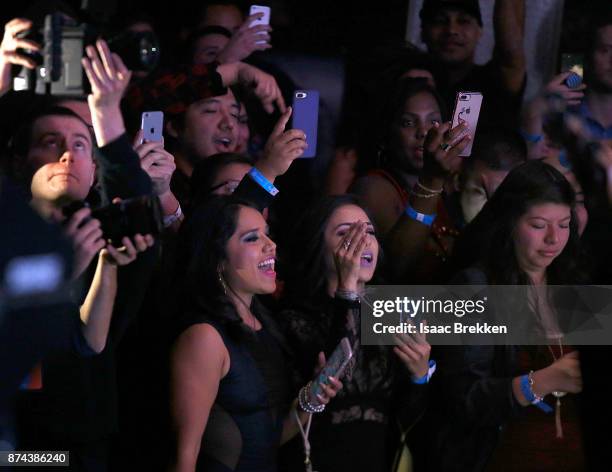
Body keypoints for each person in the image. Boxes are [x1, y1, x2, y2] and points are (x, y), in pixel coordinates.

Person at [12, 40, 156, 471]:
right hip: (17, 445)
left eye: (80, 144)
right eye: (50, 142)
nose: (67, 153)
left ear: (95, 170)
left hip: (88, 444)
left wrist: (108, 112)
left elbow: (139, 212)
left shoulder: (108, 237)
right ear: (18, 163)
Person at [412, 160, 586, 471]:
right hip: (504, 457)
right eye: (538, 225)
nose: (553, 238)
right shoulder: (474, 287)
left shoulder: (575, 282)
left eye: (563, 224)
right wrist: (544, 380)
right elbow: (462, 399)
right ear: (509, 222)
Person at [169, 196, 342, 472]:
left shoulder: (264, 325)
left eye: (267, 234)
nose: (270, 245)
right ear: (217, 259)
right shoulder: (204, 338)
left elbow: (266, 440)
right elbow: (184, 455)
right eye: (252, 238)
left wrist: (310, 399)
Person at [278, 195, 433, 472]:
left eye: (369, 231)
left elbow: (406, 419)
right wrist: (347, 288)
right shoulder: (295, 320)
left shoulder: (392, 315)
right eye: (345, 233)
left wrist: (419, 376)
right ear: (317, 246)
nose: (362, 240)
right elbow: (341, 377)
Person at [351, 78, 469, 282]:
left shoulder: (451, 185)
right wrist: (431, 180)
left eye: (433, 121)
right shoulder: (373, 188)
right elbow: (398, 269)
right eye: (408, 122)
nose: (423, 132)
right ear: (386, 134)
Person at [419, 0, 526, 129]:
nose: (452, 30)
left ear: (479, 32)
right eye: (440, 21)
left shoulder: (495, 82)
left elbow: (510, 53)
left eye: (463, 21)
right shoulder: (411, 83)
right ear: (423, 32)